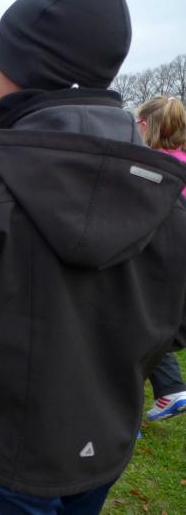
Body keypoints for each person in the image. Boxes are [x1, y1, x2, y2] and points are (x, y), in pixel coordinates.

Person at [0, 0, 186, 513]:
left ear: (20, 69)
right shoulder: (165, 191)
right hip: (103, 442)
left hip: (5, 448)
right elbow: (175, 327)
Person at [136, 95, 186, 421]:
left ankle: (121, 412)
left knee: (135, 323)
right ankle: (170, 388)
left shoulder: (150, 170)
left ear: (144, 126)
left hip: (159, 261)